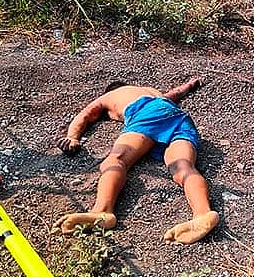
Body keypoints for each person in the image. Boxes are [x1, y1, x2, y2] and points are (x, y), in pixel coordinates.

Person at [54, 77, 219, 244]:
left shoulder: (111, 95)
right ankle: (203, 213)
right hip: (178, 116)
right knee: (184, 166)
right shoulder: (152, 92)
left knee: (115, 160)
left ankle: (101, 211)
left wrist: (72, 137)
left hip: (147, 112)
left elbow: (87, 114)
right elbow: (176, 93)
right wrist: (190, 85)